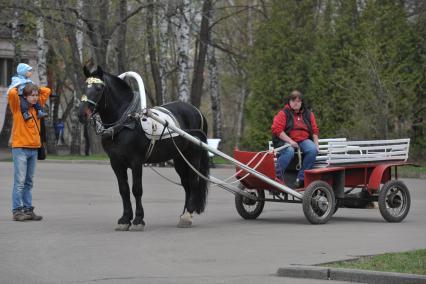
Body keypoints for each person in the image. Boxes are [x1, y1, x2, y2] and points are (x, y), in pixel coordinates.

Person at [8, 83, 52, 221]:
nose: (35, 98)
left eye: (36, 95)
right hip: (20, 149)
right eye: (31, 95)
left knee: (28, 182)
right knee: (19, 182)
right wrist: (19, 84)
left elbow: (47, 91)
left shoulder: (36, 109)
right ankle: (17, 211)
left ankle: (28, 209)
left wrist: (35, 87)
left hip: (33, 150)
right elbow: (11, 94)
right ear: (24, 96)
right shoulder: (17, 107)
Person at [271, 90, 319, 188]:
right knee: (289, 151)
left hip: (303, 140)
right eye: (293, 101)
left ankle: (300, 179)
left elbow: (314, 130)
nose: (296, 103)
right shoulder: (283, 113)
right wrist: (290, 141)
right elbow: (277, 130)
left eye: (298, 101)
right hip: (285, 140)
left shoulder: (309, 114)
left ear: (301, 102)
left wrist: (316, 145)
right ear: (289, 102)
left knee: (312, 149)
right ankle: (276, 176)